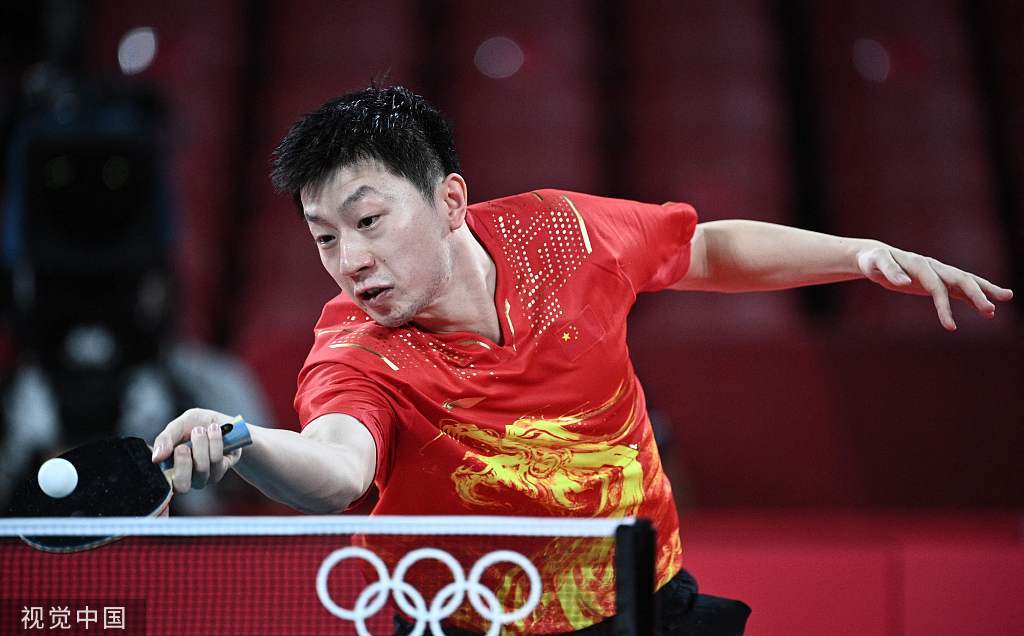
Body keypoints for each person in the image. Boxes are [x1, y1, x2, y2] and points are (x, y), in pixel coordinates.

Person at [151, 86, 1012, 634]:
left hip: (644, 601)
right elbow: (339, 468)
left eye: (368, 222)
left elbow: (704, 249)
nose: (351, 261)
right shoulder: (354, 349)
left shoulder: (564, 234)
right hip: (465, 624)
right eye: (324, 238)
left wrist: (856, 254)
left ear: (450, 201)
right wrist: (243, 440)